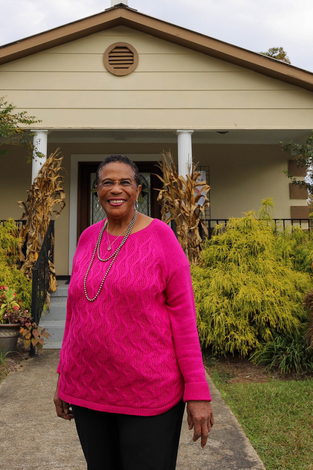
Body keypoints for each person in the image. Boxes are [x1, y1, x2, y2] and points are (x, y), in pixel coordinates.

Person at [53, 154, 214, 470]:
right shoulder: (87, 238)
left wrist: (197, 391)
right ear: (97, 190)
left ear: (138, 190)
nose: (116, 189)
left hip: (149, 391)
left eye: (125, 182)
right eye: (107, 183)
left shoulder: (161, 237)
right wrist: (63, 375)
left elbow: (183, 317)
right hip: (88, 387)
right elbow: (75, 313)